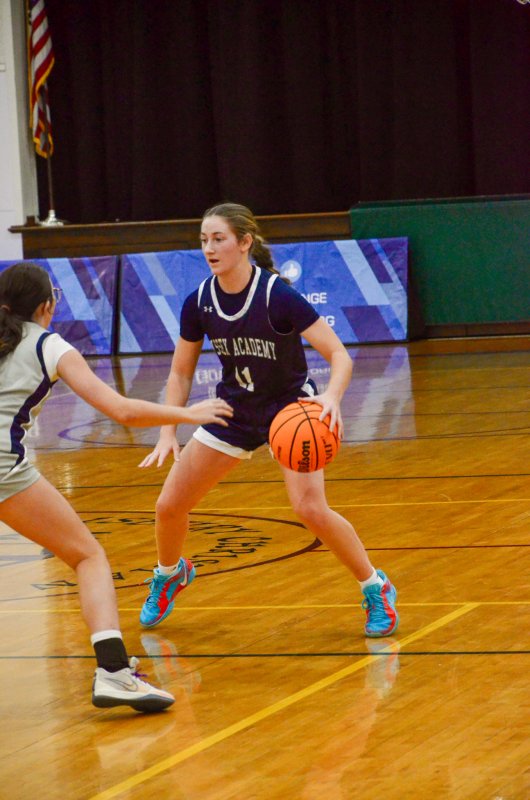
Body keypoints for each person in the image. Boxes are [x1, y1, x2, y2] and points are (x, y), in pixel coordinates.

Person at [139, 202, 399, 638]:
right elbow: (181, 372)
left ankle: (376, 586)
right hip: (234, 411)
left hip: (289, 410)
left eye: (218, 238)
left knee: (309, 509)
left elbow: (338, 354)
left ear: (244, 243)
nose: (209, 248)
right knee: (168, 506)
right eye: (203, 240)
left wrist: (331, 397)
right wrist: (169, 429)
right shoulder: (199, 301)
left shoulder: (278, 296)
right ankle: (170, 573)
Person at [0, 261, 232, 712]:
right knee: (88, 556)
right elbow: (123, 411)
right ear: (47, 306)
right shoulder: (50, 345)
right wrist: (188, 414)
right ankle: (114, 673)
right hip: (5, 471)